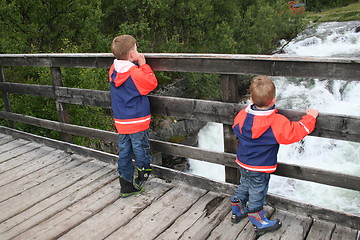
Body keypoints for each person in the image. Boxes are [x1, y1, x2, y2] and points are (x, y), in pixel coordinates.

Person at [231, 75, 318, 236]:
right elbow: (295, 132)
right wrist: (310, 118)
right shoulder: (276, 121)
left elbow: (235, 127)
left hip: (243, 161)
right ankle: (258, 219)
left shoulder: (243, 115)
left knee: (244, 184)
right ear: (274, 99)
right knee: (258, 191)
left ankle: (237, 209)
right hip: (260, 166)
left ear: (251, 99)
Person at [108, 35, 158, 197]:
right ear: (131, 55)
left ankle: (126, 184)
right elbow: (151, 83)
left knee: (124, 151)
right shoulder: (135, 73)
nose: (138, 52)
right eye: (136, 49)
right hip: (137, 120)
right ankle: (144, 173)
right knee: (140, 147)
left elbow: (126, 72)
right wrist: (143, 66)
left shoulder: (113, 70)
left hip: (122, 121)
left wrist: (134, 64)